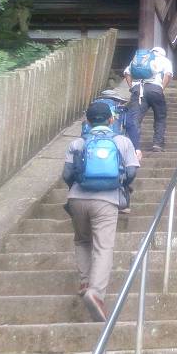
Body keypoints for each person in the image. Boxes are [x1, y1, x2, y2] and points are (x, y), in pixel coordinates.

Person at [62, 101, 139, 322]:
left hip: (77, 198)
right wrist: (119, 183)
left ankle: (85, 281)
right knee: (103, 247)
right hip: (106, 200)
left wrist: (78, 186)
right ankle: (96, 293)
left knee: (82, 240)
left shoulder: (77, 143)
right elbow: (132, 171)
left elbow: (67, 174)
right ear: (111, 119)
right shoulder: (122, 141)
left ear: (87, 120)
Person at [124, 46, 173, 153]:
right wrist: (161, 88)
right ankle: (157, 144)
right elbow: (168, 75)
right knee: (160, 117)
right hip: (155, 89)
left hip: (138, 90)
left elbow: (127, 73)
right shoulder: (165, 60)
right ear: (163, 53)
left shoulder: (139, 59)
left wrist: (131, 87)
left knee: (135, 118)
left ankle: (132, 145)